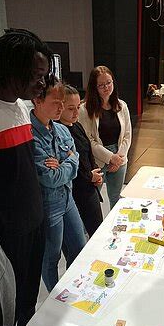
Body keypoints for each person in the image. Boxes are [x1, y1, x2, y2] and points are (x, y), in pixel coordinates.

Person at [0, 28, 53, 326]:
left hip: (34, 222)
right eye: (36, 74)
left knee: (28, 301)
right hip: (9, 234)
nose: (42, 83)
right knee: (8, 309)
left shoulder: (21, 108)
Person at [31, 81, 86, 292]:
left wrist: (66, 163)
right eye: (56, 103)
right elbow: (49, 178)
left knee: (79, 248)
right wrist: (70, 160)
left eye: (64, 103)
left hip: (67, 198)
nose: (61, 108)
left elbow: (74, 161)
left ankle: (73, 287)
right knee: (51, 257)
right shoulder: (31, 135)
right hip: (48, 204)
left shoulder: (62, 130)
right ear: (37, 100)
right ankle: (56, 298)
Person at [79, 66, 132, 209]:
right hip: (97, 159)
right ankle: (90, 231)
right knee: (93, 199)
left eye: (109, 82)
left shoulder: (122, 106)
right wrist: (110, 157)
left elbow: (127, 135)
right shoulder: (84, 109)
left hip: (120, 156)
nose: (106, 87)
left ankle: (116, 228)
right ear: (94, 87)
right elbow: (88, 140)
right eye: (101, 85)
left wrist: (118, 158)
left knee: (116, 197)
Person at [59, 85, 103, 237]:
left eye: (78, 107)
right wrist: (89, 176)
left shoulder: (77, 125)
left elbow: (88, 153)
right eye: (71, 109)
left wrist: (96, 172)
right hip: (76, 190)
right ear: (60, 106)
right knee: (80, 238)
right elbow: (67, 164)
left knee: (97, 231)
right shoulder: (59, 132)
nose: (77, 112)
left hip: (89, 187)